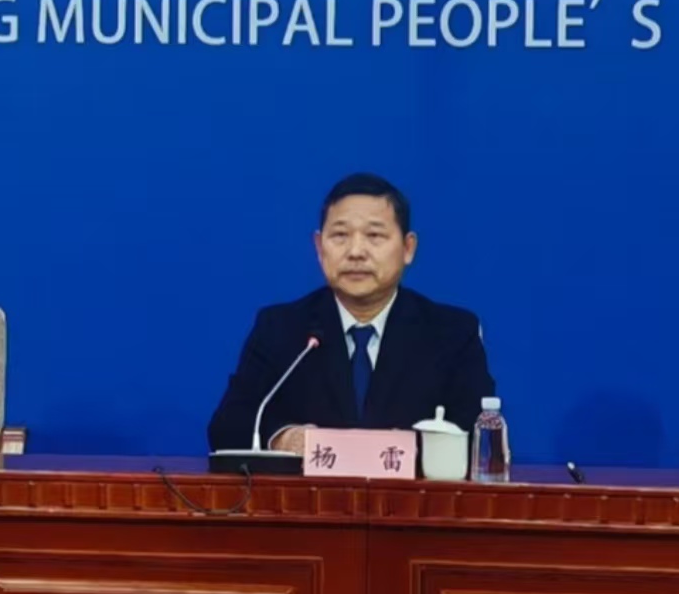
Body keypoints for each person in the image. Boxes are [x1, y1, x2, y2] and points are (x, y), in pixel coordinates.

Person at [207, 173, 493, 450]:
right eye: (340, 235)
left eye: (374, 235)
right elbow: (228, 427)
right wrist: (284, 438)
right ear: (319, 247)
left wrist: (412, 448)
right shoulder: (280, 327)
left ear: (408, 248)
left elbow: (479, 436)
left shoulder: (451, 333)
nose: (356, 251)